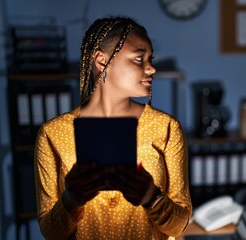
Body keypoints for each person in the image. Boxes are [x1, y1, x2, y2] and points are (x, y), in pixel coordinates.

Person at [34, 16, 192, 240]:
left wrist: (152, 198)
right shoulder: (53, 135)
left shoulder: (166, 128)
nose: (152, 69)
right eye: (139, 59)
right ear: (101, 60)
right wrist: (70, 201)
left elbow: (179, 226)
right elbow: (50, 232)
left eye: (150, 59)